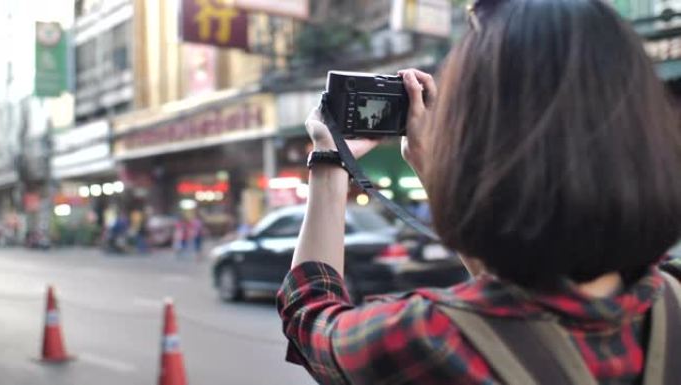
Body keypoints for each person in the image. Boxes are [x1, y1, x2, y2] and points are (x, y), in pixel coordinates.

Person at [277, 1, 681, 384]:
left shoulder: (431, 339)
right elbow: (518, 288)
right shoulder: (672, 296)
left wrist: (331, 159)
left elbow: (309, 316)